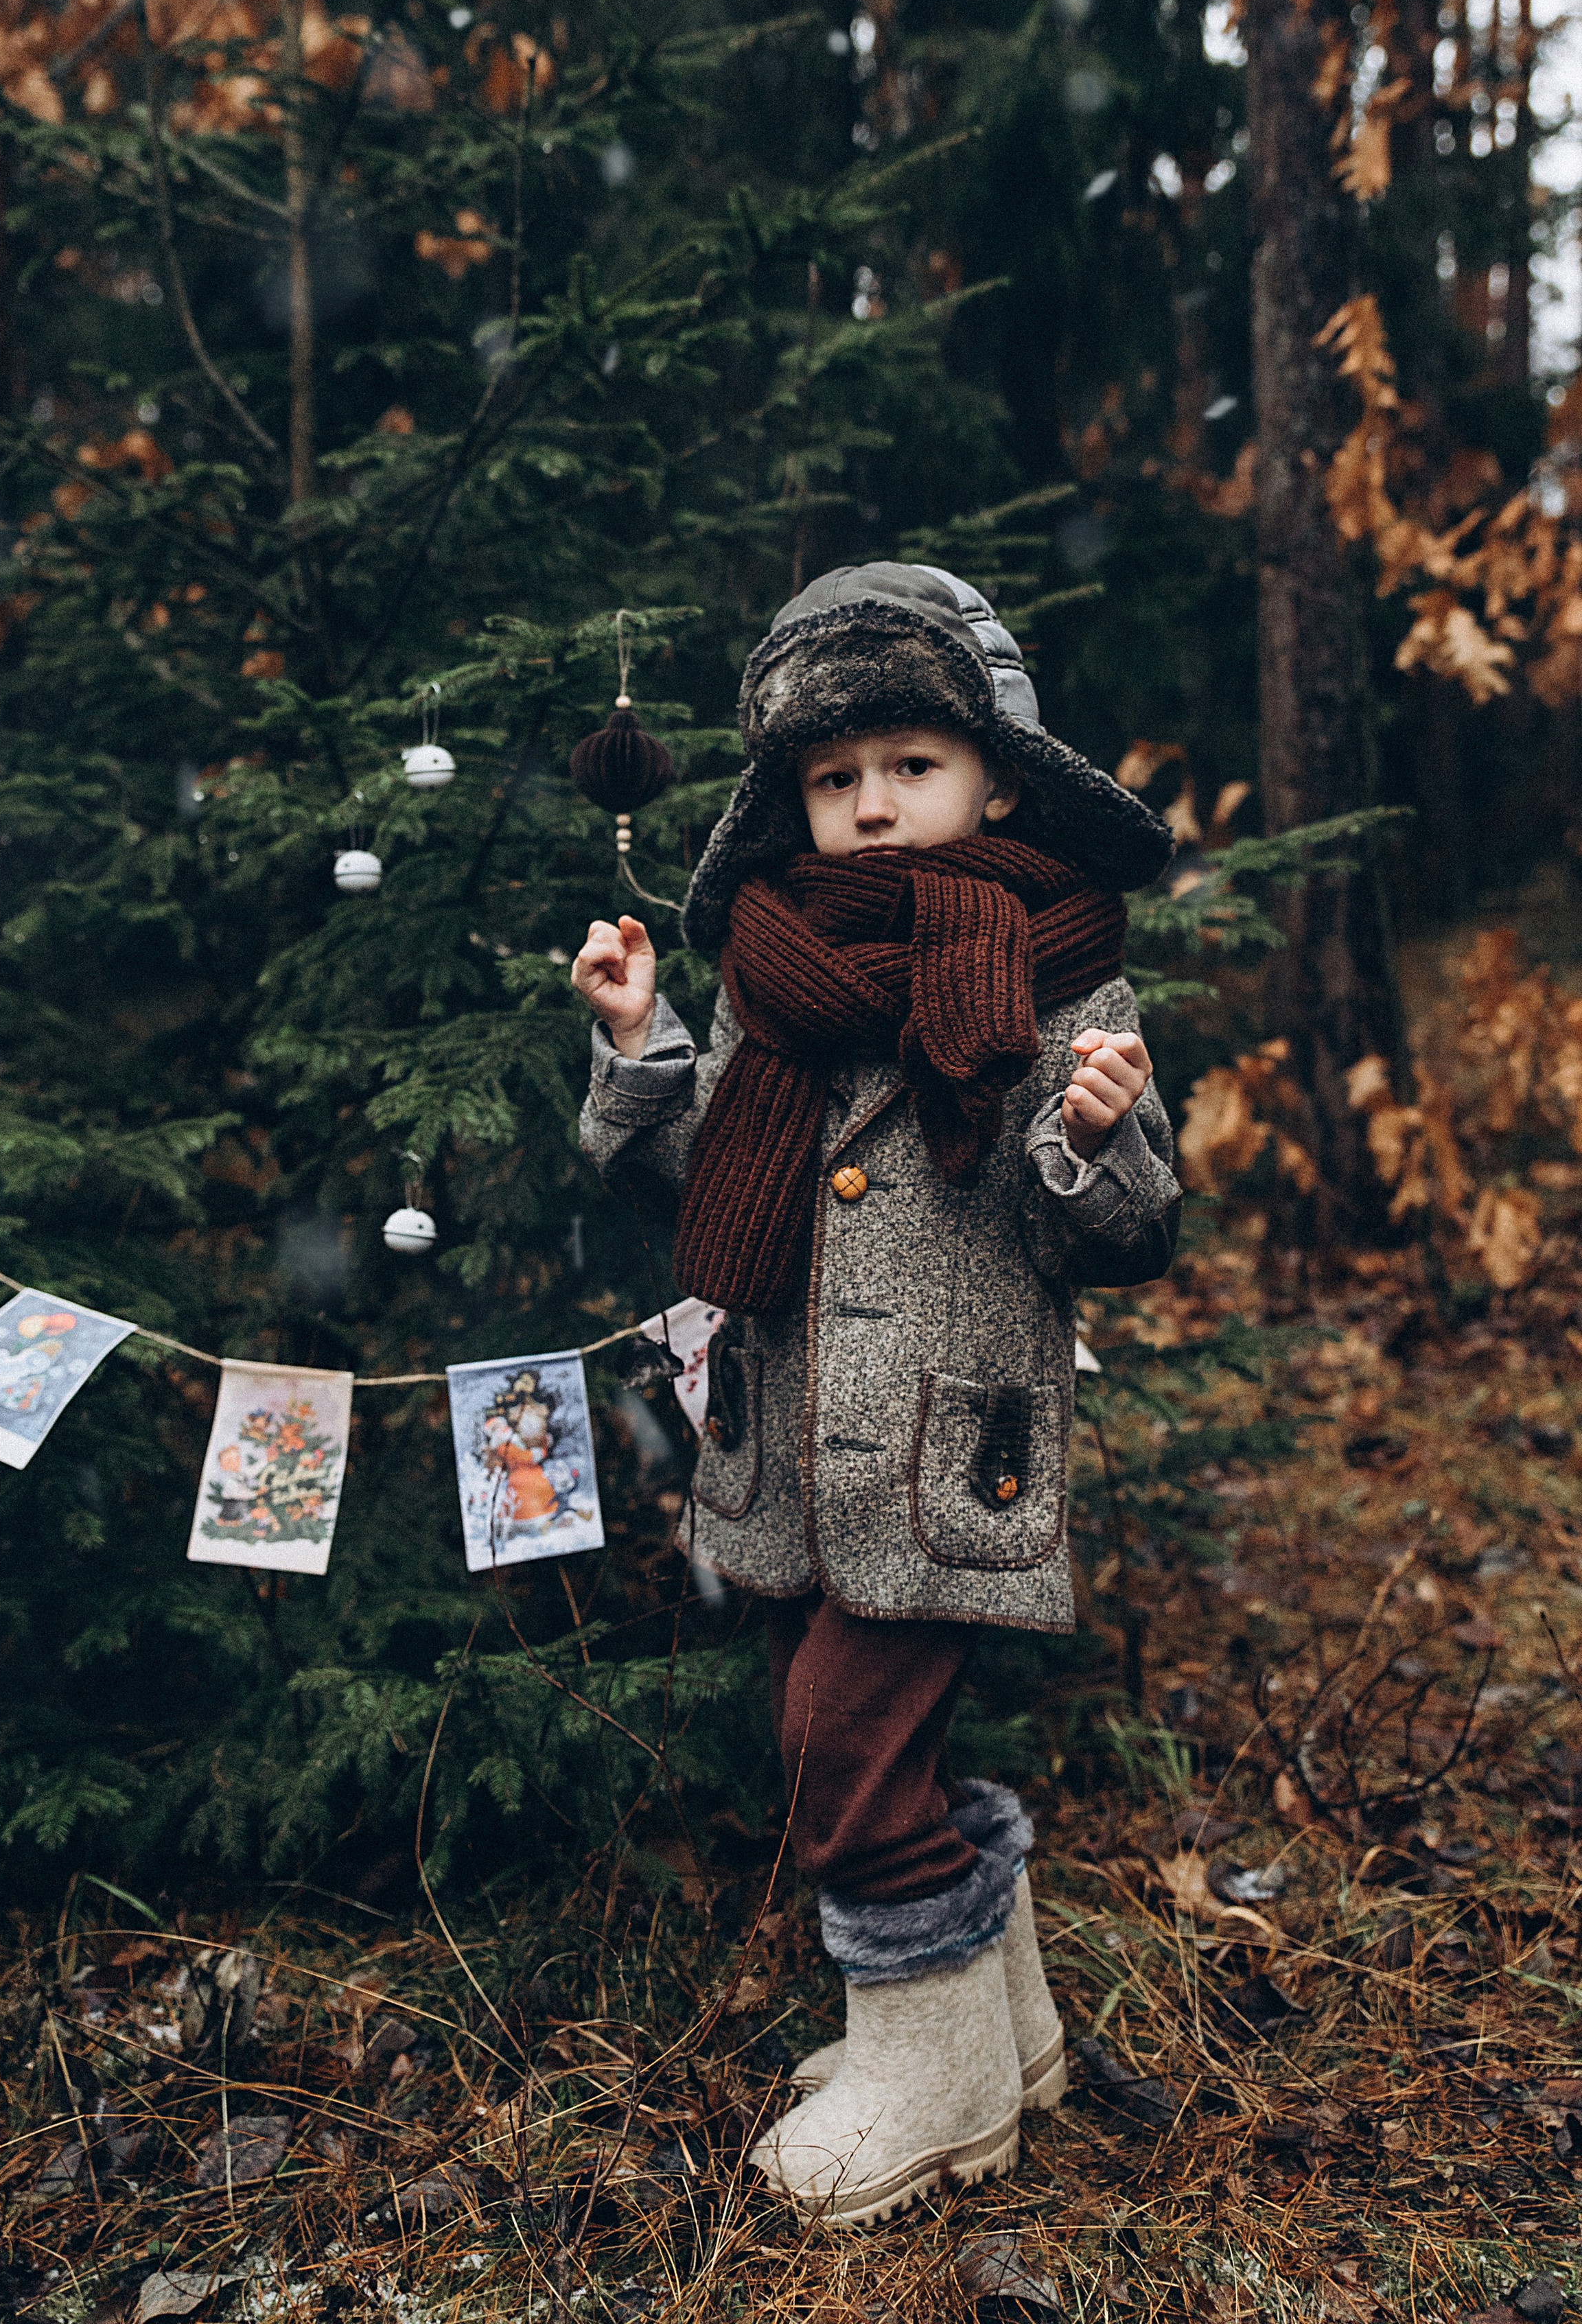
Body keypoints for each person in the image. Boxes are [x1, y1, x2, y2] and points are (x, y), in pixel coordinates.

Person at [573, 563, 1182, 2227]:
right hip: (782, 1434)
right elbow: (708, 1182)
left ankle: (925, 2079)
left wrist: (1087, 1133)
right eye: (834, 782)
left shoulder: (1063, 975)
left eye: (909, 767)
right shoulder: (772, 970)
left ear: (993, 778)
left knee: (841, 1745)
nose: (870, 807)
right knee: (837, 1718)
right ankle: (996, 2038)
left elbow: (1129, 1231)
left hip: (946, 1444)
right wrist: (642, 1052)